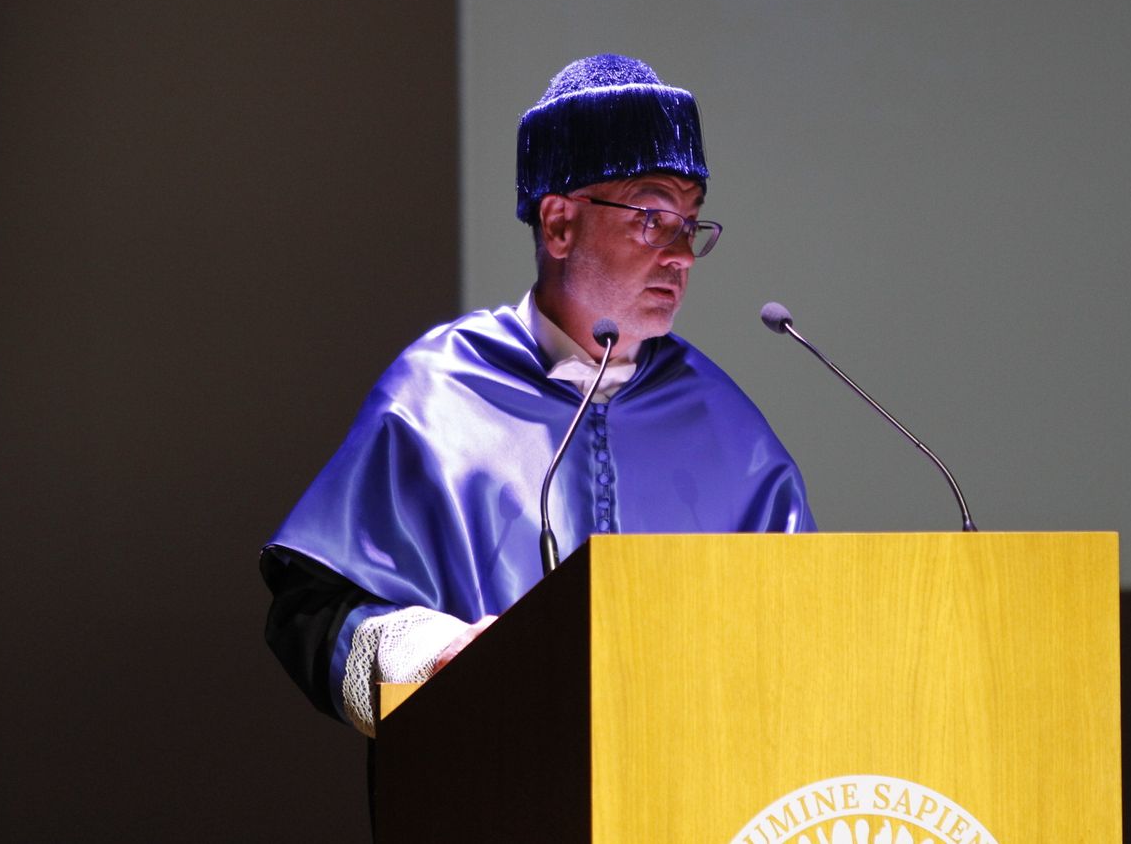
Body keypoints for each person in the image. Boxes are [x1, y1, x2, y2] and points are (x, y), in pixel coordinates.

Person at [261, 54, 815, 735]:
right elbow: (313, 611)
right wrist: (429, 653)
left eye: (691, 222)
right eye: (652, 217)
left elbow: (803, 634)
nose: (679, 254)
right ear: (558, 224)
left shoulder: (723, 423)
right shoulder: (437, 394)